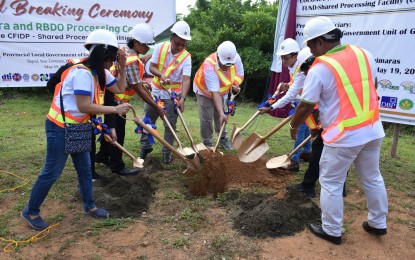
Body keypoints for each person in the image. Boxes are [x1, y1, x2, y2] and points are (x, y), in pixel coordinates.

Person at [289, 16, 388, 244]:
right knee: (372, 177)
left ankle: (332, 230)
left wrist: (294, 125)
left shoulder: (320, 68)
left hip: (344, 136)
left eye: (311, 45)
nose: (311, 51)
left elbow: (305, 105)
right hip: (373, 129)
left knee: (331, 182)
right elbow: (372, 87)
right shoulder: (365, 54)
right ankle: (378, 222)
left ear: (321, 42)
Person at [21, 29, 132, 230]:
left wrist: (123, 68)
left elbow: (120, 89)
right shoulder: (82, 73)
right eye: (113, 57)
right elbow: (84, 106)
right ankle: (30, 210)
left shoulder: (102, 73)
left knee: (84, 169)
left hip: (79, 126)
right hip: (60, 127)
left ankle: (90, 207)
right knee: (52, 171)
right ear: (104, 54)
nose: (113, 61)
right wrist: (114, 109)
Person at [96, 23, 163, 175]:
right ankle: (117, 166)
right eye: (146, 45)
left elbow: (133, 82)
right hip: (116, 102)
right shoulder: (131, 60)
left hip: (110, 97)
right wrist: (156, 106)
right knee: (117, 134)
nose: (147, 48)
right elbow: (137, 87)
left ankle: (102, 156)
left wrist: (142, 83)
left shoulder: (126, 53)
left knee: (109, 128)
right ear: (136, 43)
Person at [139, 20, 192, 164]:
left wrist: (182, 98)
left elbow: (186, 80)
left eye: (184, 44)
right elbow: (152, 68)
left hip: (172, 95)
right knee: (148, 120)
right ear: (171, 38)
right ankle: (145, 147)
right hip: (156, 91)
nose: (180, 47)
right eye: (178, 43)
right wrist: (161, 75)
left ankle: (167, 151)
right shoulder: (160, 47)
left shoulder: (186, 57)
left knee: (170, 124)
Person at [259, 41, 312, 171]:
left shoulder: (301, 68)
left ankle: (294, 161)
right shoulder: (293, 66)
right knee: (305, 127)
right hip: (304, 100)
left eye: (286, 57)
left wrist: (271, 107)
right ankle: (306, 152)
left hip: (306, 102)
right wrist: (288, 84)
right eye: (282, 57)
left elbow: (289, 96)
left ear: (295, 56)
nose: (283, 60)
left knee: (299, 128)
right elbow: (296, 85)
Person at [193, 41, 244, 150]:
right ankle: (207, 143)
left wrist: (235, 83)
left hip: (223, 91)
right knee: (207, 119)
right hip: (205, 92)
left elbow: (240, 74)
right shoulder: (209, 65)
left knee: (221, 117)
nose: (227, 66)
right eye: (224, 64)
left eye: (229, 64)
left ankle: (222, 138)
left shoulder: (235, 58)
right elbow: (214, 92)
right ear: (218, 57)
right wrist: (221, 112)